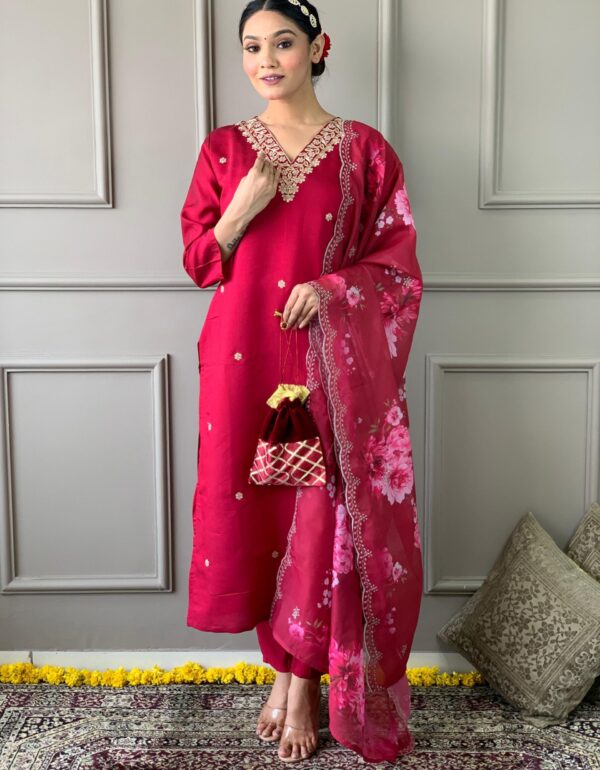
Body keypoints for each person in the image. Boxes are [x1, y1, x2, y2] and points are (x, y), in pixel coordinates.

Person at [180, 0, 424, 763]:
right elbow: (198, 262)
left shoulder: (365, 151)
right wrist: (240, 211)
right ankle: (280, 671)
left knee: (322, 514)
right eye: (252, 46)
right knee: (255, 510)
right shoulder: (224, 150)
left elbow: (397, 267)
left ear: (319, 48)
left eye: (283, 43)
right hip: (242, 357)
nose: (266, 60)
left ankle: (304, 680)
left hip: (326, 362)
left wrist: (333, 289)